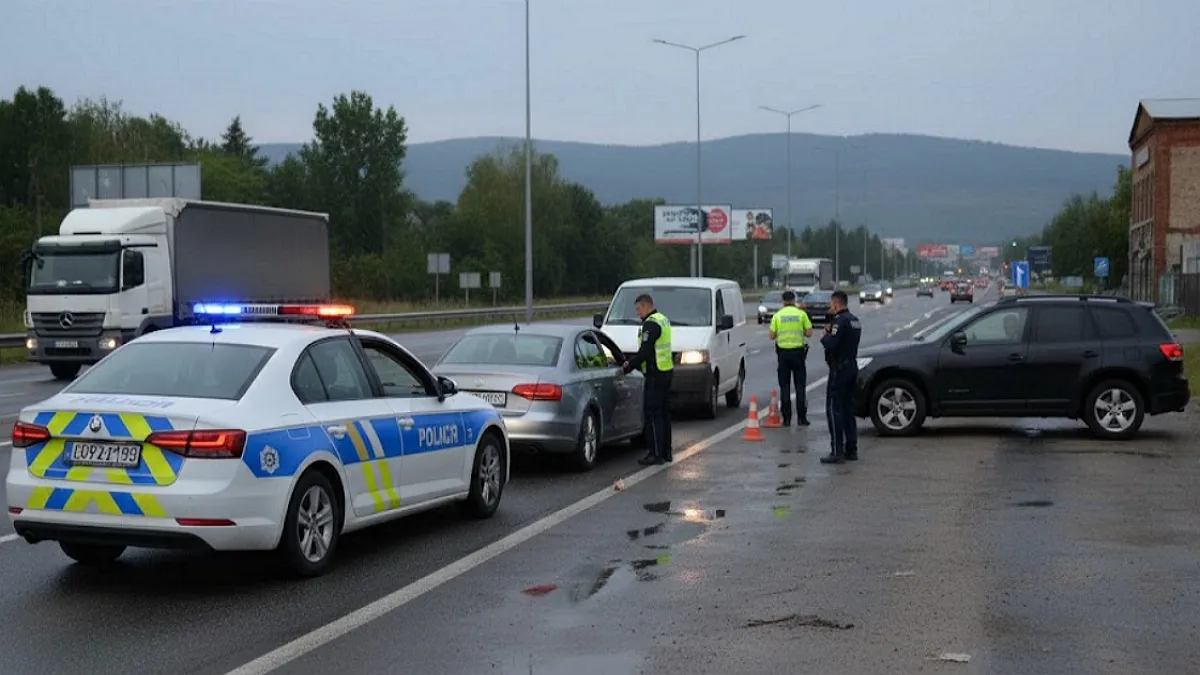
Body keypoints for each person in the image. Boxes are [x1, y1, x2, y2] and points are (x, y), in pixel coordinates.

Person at [622, 294, 674, 465]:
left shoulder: (650, 324)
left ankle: (655, 454)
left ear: (646, 306)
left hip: (655, 373)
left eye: (638, 309)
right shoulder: (663, 319)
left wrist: (627, 366)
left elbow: (645, 352)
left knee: (652, 415)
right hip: (666, 371)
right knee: (664, 414)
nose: (637, 313)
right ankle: (666, 452)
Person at [820, 290, 862, 464]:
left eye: (831, 304)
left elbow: (831, 343)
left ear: (836, 304)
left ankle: (837, 450)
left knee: (833, 409)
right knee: (847, 409)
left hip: (839, 369)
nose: (830, 307)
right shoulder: (854, 320)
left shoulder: (839, 321)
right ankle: (851, 449)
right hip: (851, 366)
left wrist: (825, 335)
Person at [768, 289, 813, 426]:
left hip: (783, 354)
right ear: (794, 300)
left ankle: (786, 419)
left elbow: (771, 336)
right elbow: (809, 333)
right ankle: (801, 418)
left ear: (783, 301)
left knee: (785, 387)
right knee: (800, 386)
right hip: (798, 354)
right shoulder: (801, 314)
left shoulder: (777, 316)